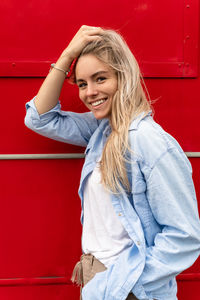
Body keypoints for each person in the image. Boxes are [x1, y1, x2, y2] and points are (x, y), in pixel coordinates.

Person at [24, 25, 200, 300]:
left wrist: (122, 285)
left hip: (130, 288)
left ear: (123, 77)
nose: (89, 92)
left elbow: (184, 236)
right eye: (82, 84)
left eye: (100, 79)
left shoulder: (148, 141)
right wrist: (67, 56)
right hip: (96, 278)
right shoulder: (101, 131)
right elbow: (39, 118)